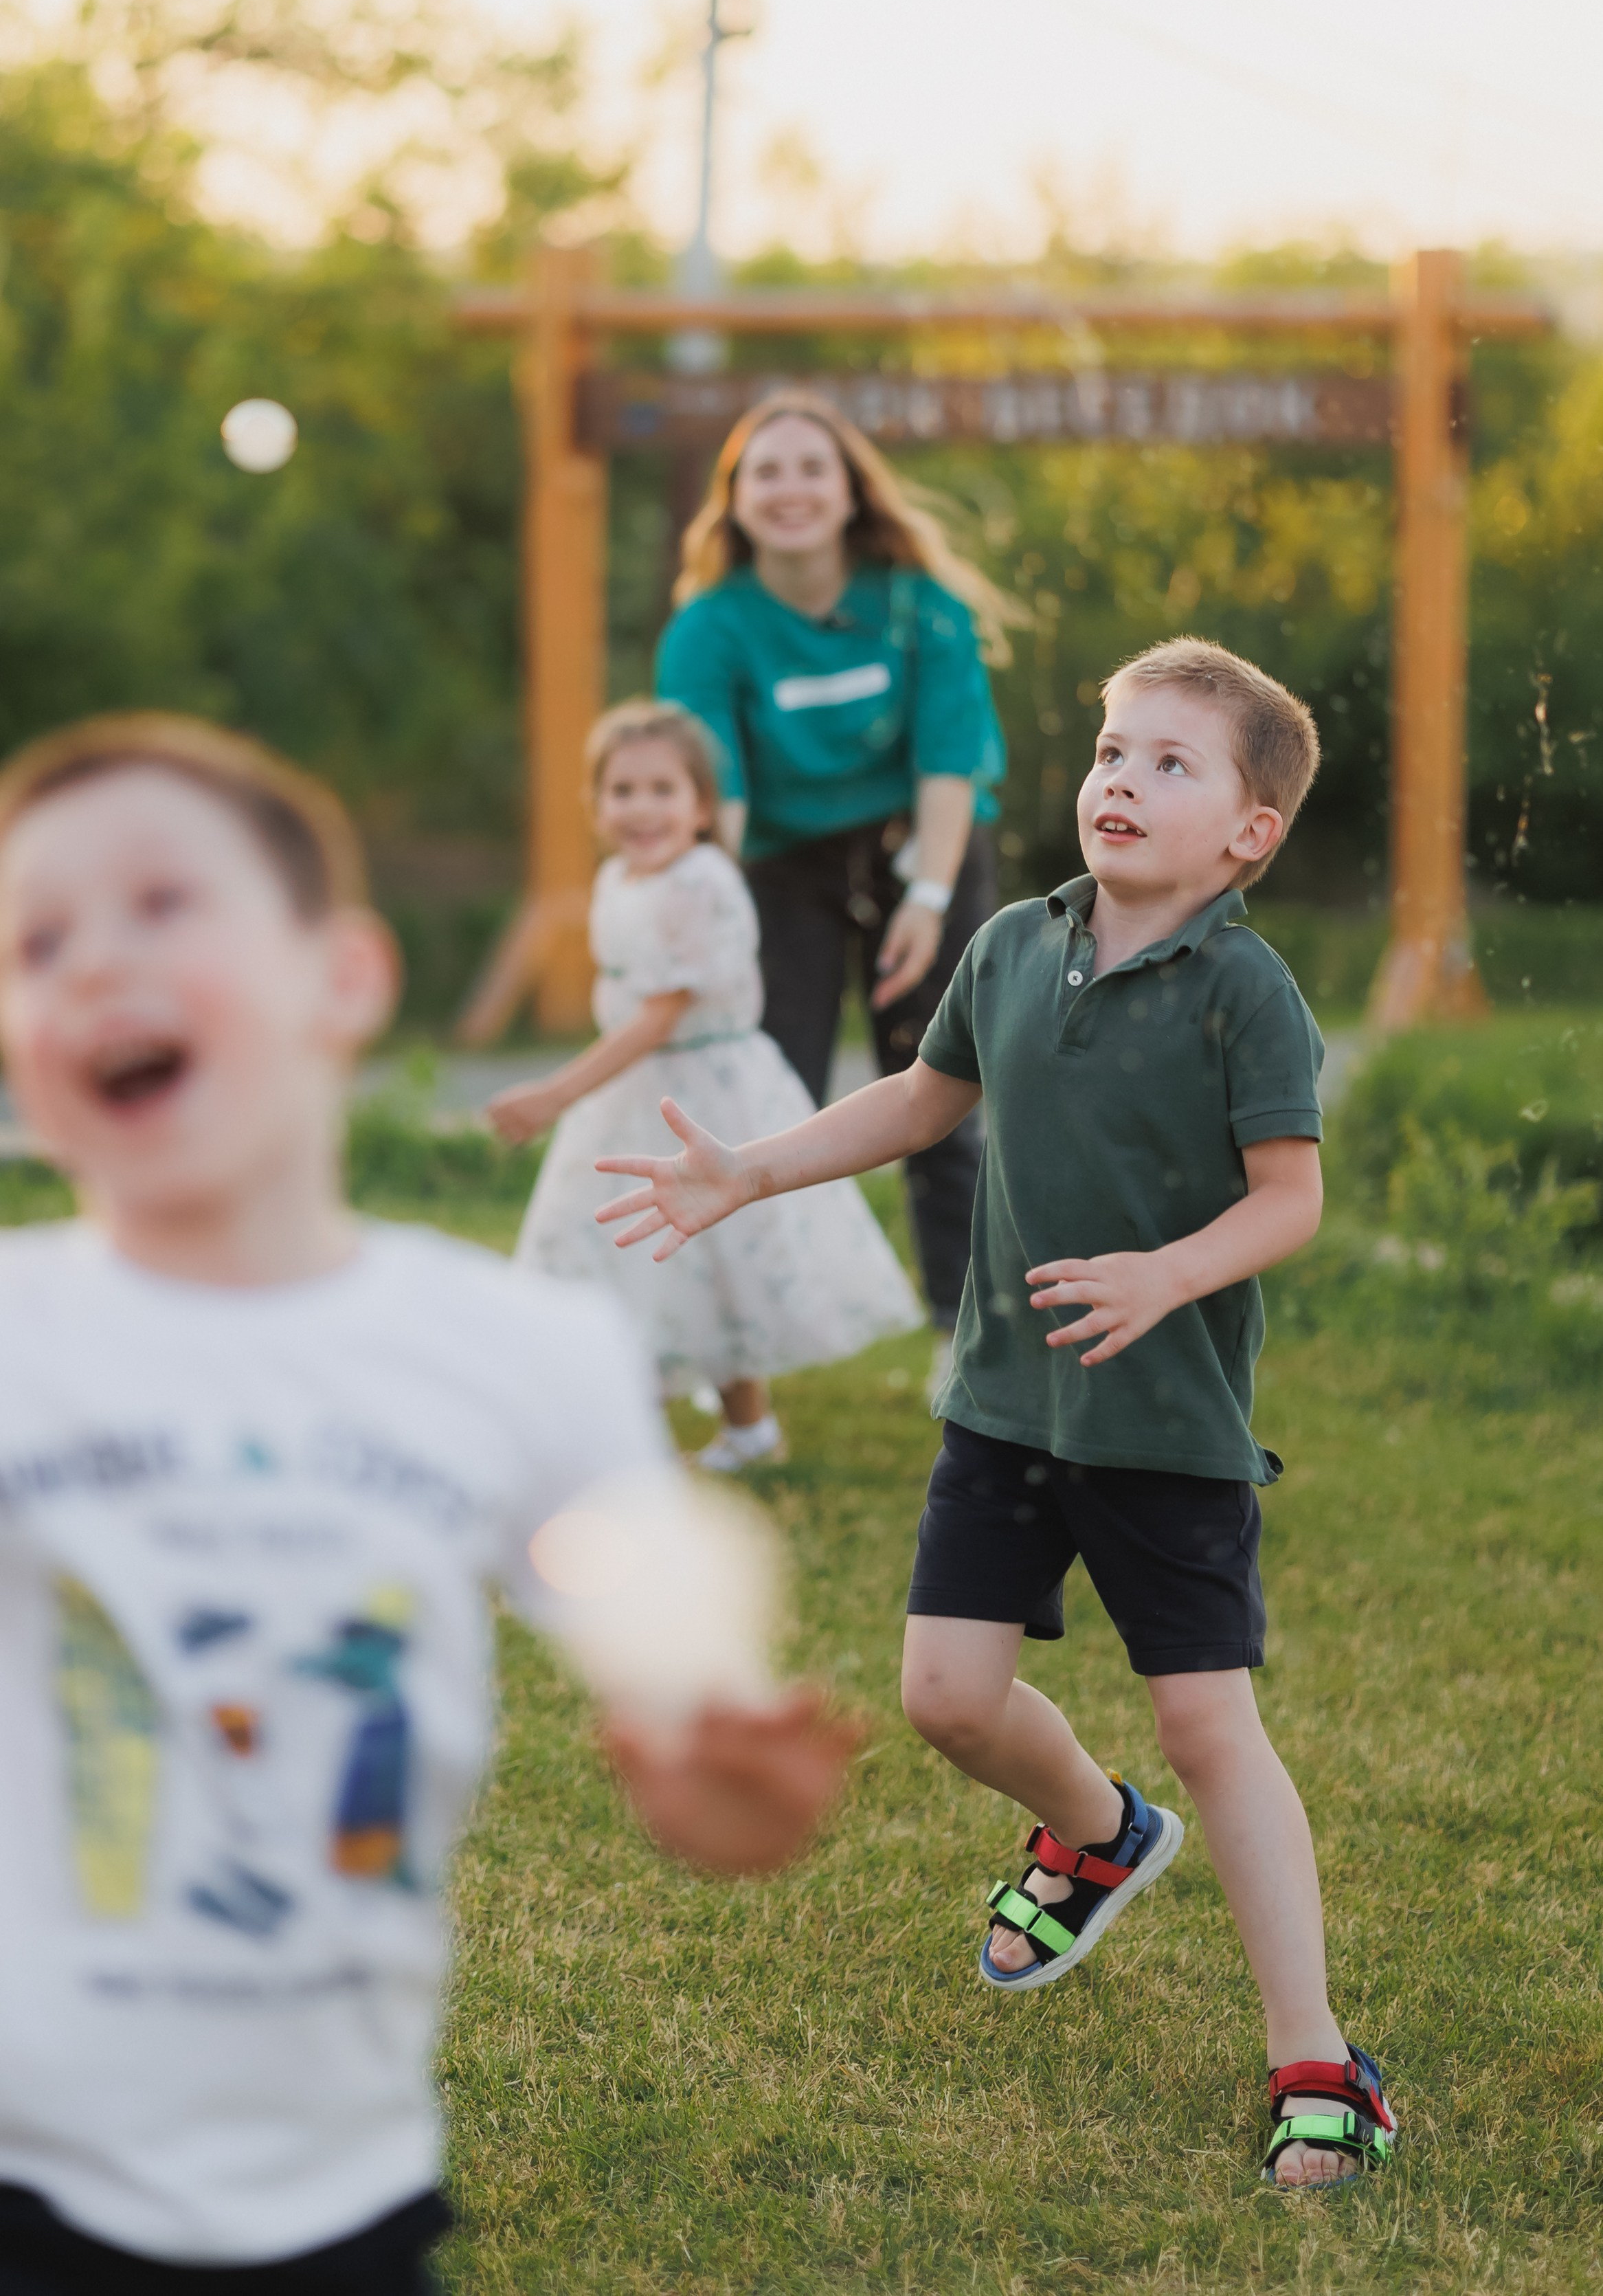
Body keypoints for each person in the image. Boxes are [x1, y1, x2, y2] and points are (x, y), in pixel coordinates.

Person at [0, 712, 854, 2291]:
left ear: (342, 979)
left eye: (163, 904)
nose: (97, 960)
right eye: (38, 941)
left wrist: (711, 1758)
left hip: (349, 2193)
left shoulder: (517, 1353)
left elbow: (655, 1620)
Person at [596, 637, 1399, 2189]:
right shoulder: (1015, 945)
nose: (1120, 781)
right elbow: (922, 1100)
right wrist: (750, 1171)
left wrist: (1168, 1274)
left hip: (1163, 1423)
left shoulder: (1246, 992)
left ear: (1249, 831)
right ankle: (1099, 1834)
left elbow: (1287, 1199)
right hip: (1002, 1408)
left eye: (1169, 763)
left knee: (1207, 1726)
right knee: (947, 1701)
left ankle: (1317, 2060)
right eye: (1110, 751)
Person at [655, 389, 1014, 1383]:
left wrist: (927, 901)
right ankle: (747, 1357)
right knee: (770, 1092)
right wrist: (712, 906)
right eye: (766, 471)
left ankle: (962, 1337)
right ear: (735, 500)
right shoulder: (709, 626)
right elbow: (715, 789)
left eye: (811, 467)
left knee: (940, 1088)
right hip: (781, 866)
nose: (791, 489)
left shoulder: (920, 605)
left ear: (852, 490)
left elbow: (950, 761)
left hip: (923, 850)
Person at [491, 701, 922, 1473]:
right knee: (640, 1261)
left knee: (714, 1259)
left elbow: (659, 1016)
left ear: (700, 806)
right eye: (623, 790)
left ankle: (723, 1431)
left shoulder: (701, 882)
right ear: (595, 805)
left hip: (703, 1094)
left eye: (663, 789)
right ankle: (678, 1434)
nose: (642, 808)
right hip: (634, 1093)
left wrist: (556, 1094)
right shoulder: (617, 878)